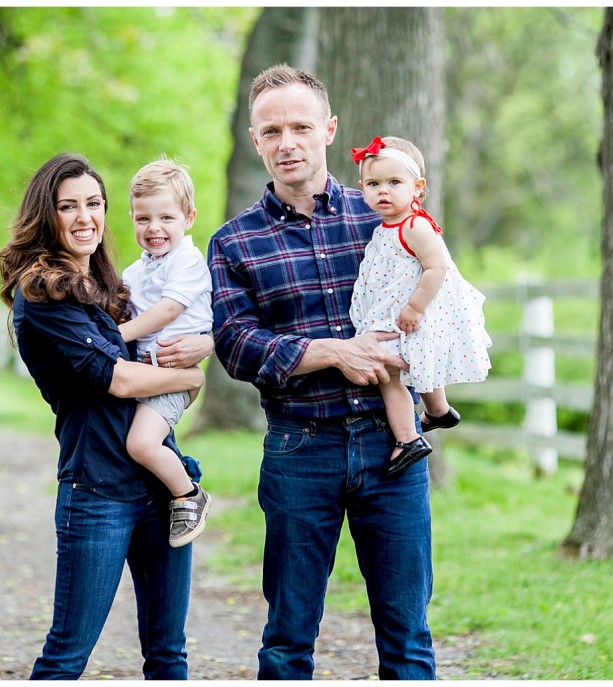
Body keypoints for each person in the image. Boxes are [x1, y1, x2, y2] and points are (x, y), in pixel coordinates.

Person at [207, 64, 436, 679]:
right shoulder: (234, 243)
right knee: (287, 639)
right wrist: (336, 351)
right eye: (272, 130)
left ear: (329, 130)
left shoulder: (383, 215)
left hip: (394, 449)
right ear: (256, 140)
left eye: (301, 127)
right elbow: (234, 345)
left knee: (408, 636)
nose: (288, 143)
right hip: (299, 449)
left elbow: (437, 301)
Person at [0, 152, 213, 680]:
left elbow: (185, 328)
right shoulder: (42, 295)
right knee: (67, 655)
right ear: (45, 216)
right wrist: (191, 378)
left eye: (94, 203)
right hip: (97, 490)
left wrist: (203, 346)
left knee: (167, 654)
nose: (84, 216)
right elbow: (118, 377)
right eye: (67, 206)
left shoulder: (111, 285)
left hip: (158, 491)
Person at [349, 135, 492, 478]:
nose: (383, 191)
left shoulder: (414, 226)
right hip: (394, 310)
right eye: (373, 183)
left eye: (394, 182)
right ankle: (439, 410)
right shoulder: (388, 227)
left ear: (418, 187)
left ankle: (408, 438)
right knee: (418, 365)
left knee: (389, 372)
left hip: (410, 314)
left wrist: (414, 308)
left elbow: (438, 267)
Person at [118, 157, 213, 548]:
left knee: (141, 444)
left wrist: (118, 332)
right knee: (142, 444)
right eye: (143, 219)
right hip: (145, 375)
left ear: (189, 218)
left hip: (171, 376)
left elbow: (168, 311)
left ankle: (189, 495)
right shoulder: (133, 273)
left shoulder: (187, 261)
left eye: (166, 218)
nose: (154, 228)